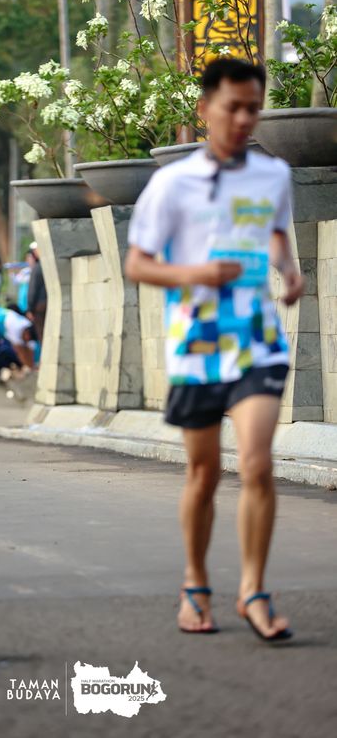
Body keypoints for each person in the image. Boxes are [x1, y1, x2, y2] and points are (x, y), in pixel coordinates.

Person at [125, 58, 305, 642]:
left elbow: (273, 231)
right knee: (203, 473)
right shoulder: (171, 184)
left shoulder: (272, 175)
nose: (244, 118)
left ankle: (253, 590)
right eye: (234, 107)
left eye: (254, 108)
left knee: (257, 463)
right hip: (197, 341)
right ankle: (195, 584)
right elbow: (137, 264)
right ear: (205, 109)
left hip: (256, 337)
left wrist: (289, 269)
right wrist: (195, 273)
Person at [26, 243, 47, 343]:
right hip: (49, 304)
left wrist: (30, 309)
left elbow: (33, 290)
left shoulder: (37, 268)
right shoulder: (48, 265)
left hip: (39, 306)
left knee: (42, 334)